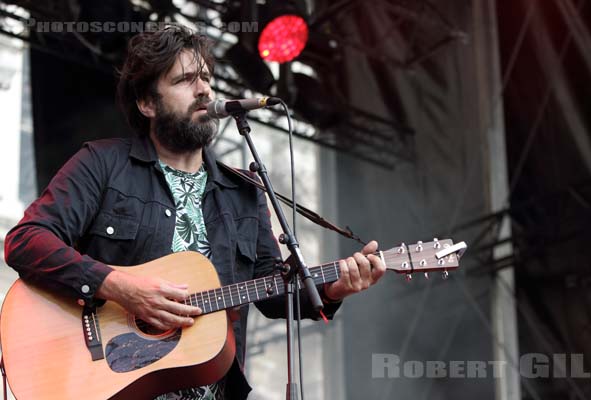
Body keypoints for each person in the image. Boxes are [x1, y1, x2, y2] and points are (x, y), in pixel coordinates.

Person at [3, 25, 386, 400]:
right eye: (186, 79)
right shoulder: (102, 164)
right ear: (148, 103)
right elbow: (25, 241)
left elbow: (273, 291)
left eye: (206, 77)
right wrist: (118, 287)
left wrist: (334, 288)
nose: (204, 89)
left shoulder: (244, 193)